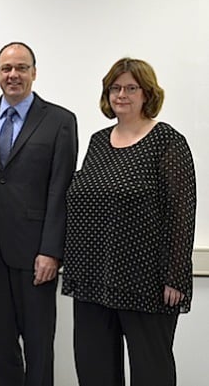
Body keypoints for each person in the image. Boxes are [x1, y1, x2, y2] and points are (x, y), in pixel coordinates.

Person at [62, 57, 196, 386]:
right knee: (94, 371)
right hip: (93, 279)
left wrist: (176, 276)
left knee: (151, 373)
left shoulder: (167, 141)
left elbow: (182, 212)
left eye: (131, 87)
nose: (122, 94)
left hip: (147, 282)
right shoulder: (97, 142)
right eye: (115, 87)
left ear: (147, 94)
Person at [0, 41, 78, 386]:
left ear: (34, 72)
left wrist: (51, 251)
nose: (13, 75)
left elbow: (61, 190)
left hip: (36, 256)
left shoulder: (60, 120)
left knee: (39, 345)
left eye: (21, 68)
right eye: (6, 69)